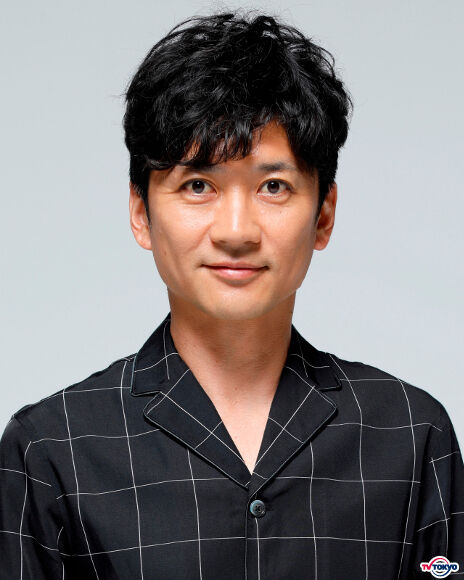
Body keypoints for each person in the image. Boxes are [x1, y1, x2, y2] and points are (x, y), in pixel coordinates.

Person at [0, 9, 462, 580]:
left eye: (274, 186)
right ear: (141, 212)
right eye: (199, 185)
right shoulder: (52, 447)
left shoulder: (411, 435)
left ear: (324, 215)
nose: (236, 231)